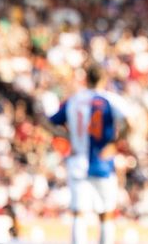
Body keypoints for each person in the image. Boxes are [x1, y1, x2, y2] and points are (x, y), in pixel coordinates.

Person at [48, 63, 130, 244]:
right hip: (102, 161)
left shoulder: (74, 100)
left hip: (77, 160)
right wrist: (114, 144)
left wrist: (67, 136)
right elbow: (131, 121)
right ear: (103, 79)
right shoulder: (110, 99)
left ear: (86, 79)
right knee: (106, 213)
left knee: (78, 212)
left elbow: (50, 122)